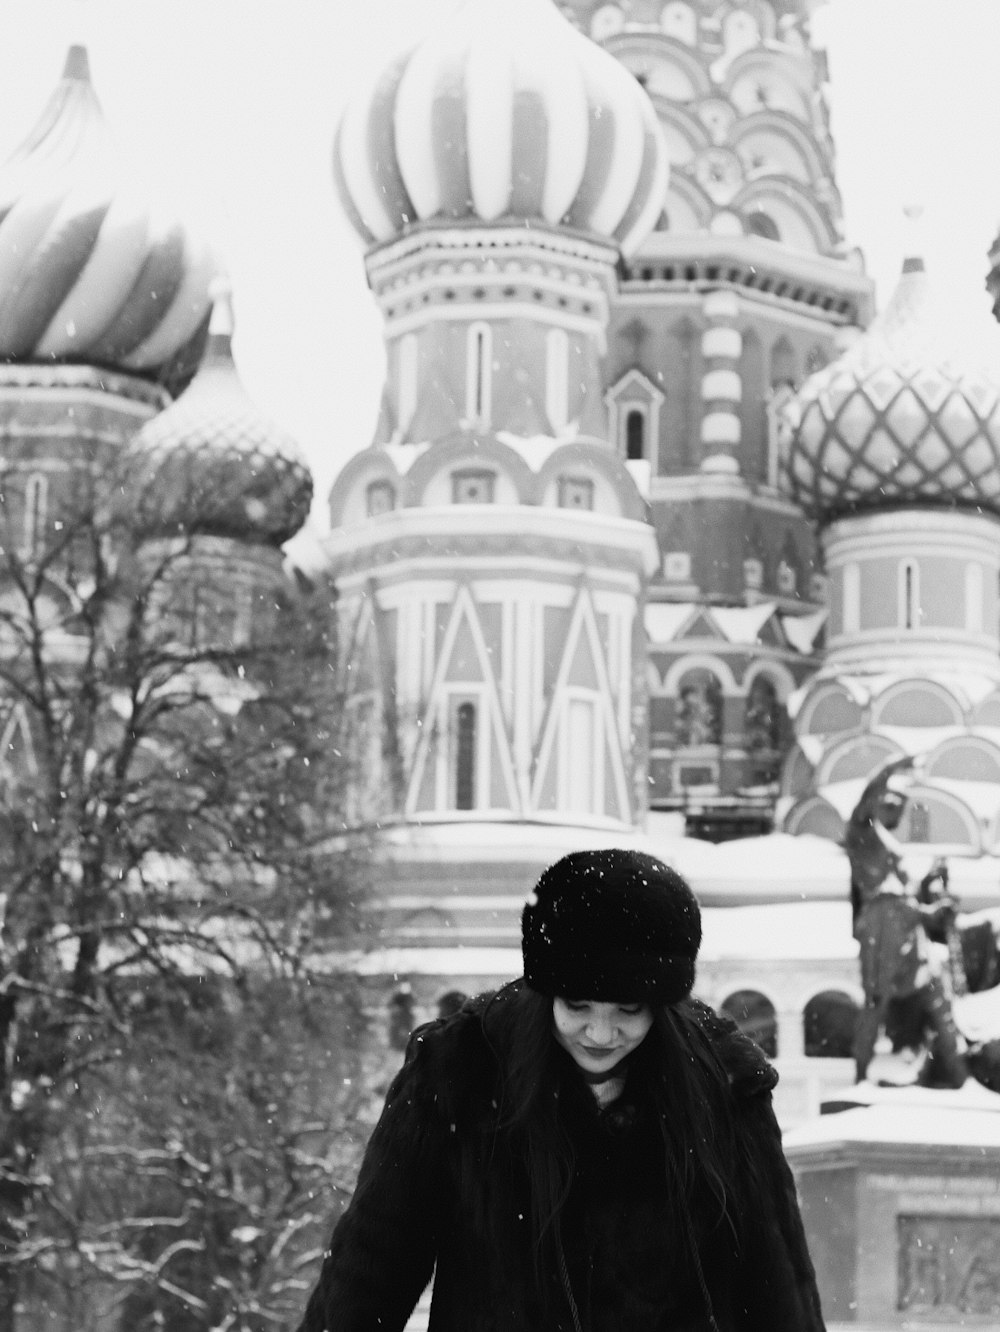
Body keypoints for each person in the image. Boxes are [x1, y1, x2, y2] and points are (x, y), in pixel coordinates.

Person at [295, 848, 826, 1331]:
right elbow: (370, 1268)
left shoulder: (724, 1085)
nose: (600, 1034)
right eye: (577, 1006)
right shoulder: (460, 1074)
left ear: (659, 1007)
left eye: (628, 1011)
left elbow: (776, 1279)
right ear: (546, 990)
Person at [844, 756, 965, 1086]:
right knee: (875, 1001)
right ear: (878, 802)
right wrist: (893, 765)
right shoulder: (861, 832)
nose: (897, 806)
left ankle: (960, 1074)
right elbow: (869, 794)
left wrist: (934, 909)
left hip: (908, 926)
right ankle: (861, 1072)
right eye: (891, 800)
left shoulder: (886, 841)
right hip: (881, 928)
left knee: (935, 989)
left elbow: (906, 899)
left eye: (902, 803)